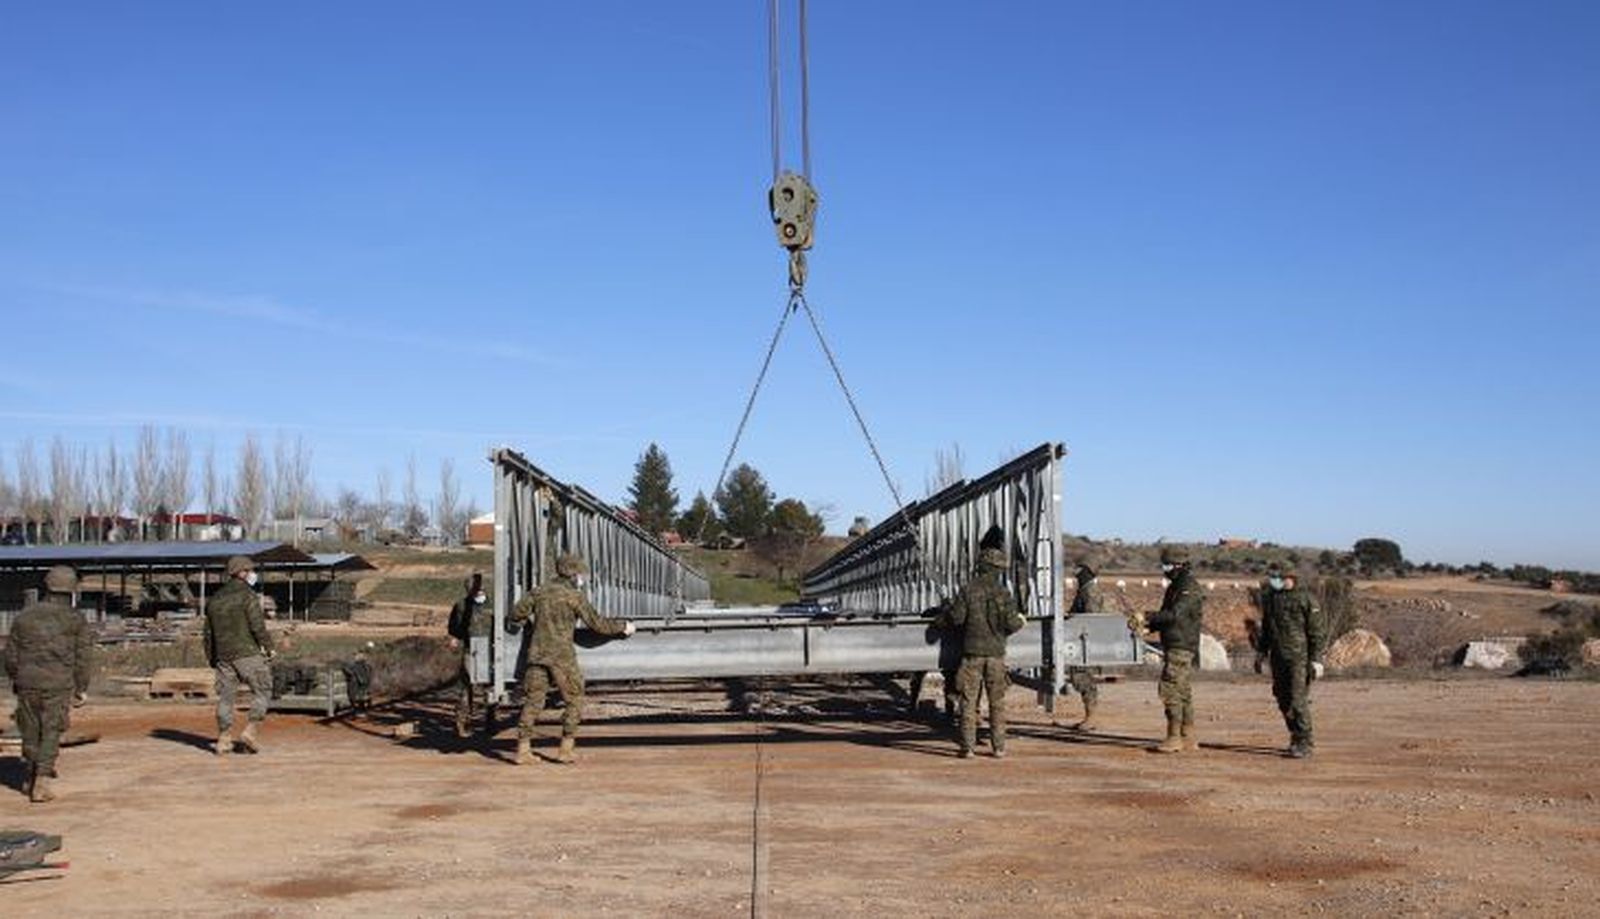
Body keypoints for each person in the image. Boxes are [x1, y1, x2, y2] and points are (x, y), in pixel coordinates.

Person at [510, 553, 635, 765]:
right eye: (580, 574)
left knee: (533, 701)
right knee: (574, 699)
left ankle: (523, 750)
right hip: (562, 657)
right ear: (573, 574)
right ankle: (565, 749)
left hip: (537, 655)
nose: (582, 578)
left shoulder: (538, 592)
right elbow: (597, 624)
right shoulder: (574, 596)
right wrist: (623, 626)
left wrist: (529, 624)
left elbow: (515, 614)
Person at [2, 565, 93, 802]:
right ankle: (41, 780)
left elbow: (10, 655)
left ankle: (30, 773)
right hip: (58, 684)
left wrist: (16, 678)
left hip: (27, 681)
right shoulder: (75, 619)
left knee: (30, 729)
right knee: (51, 729)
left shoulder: (24, 616)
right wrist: (81, 688)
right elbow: (83, 657)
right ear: (71, 589)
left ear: (48, 586)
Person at [934, 547, 1027, 759]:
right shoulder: (1003, 593)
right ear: (997, 569)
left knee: (968, 701)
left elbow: (956, 618)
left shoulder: (968, 590)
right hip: (996, 655)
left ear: (981, 566)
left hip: (972, 655)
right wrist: (1021, 621)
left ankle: (968, 748)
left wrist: (940, 618)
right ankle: (998, 747)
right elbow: (1012, 624)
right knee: (997, 703)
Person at [204, 555, 274, 756]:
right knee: (263, 690)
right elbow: (257, 626)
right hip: (247, 653)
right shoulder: (248, 596)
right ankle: (250, 731)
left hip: (223, 656)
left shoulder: (215, 599)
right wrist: (269, 647)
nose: (252, 573)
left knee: (225, 697)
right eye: (250, 570)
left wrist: (212, 657)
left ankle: (223, 739)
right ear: (242, 572)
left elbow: (207, 633)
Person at [1255, 567, 1328, 758]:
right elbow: (1266, 630)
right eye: (1273, 577)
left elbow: (1317, 632)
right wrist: (1261, 653)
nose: (1275, 581)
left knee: (1297, 699)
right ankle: (1295, 735)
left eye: (1279, 577)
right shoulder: (1272, 599)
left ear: (1290, 578)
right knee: (1282, 698)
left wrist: (1317, 659)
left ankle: (1305, 741)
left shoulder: (1306, 599)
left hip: (1299, 659)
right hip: (1278, 657)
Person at [1144, 546, 1204, 754]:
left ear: (1179, 565)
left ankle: (1174, 737)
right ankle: (1188, 736)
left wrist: (1147, 616)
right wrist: (1149, 627)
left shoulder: (1188, 587)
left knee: (1170, 690)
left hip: (1181, 644)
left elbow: (1175, 614)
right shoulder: (1175, 587)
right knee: (1182, 690)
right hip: (1175, 643)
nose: (1165, 569)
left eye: (1167, 565)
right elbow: (1165, 615)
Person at [447, 572, 492, 738]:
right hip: (471, 650)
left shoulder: (494, 604)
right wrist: (455, 638)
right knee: (467, 687)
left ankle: (490, 723)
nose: (478, 590)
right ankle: (462, 723)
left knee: (489, 689)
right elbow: (455, 627)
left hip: (491, 650)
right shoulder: (461, 606)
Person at [1065, 562, 1105, 730]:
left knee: (1083, 678)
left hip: (1086, 643)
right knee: (1081, 677)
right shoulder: (1085, 590)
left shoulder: (1090, 591)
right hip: (1082, 640)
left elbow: (1091, 619)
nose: (1077, 574)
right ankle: (1090, 716)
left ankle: (1091, 717)